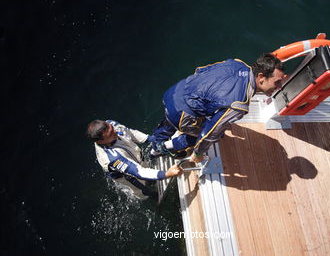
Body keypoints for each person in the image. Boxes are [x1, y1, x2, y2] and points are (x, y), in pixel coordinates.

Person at [150, 53, 286, 162]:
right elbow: (210, 134)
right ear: (261, 77)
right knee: (218, 135)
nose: (279, 87)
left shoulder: (237, 63)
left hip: (174, 92)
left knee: (170, 119)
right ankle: (168, 147)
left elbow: (201, 70)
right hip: (181, 114)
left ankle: (154, 147)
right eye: (277, 82)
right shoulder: (239, 104)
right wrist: (198, 154)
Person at [86, 119, 182, 200]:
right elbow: (138, 172)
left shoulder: (111, 125)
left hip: (137, 158)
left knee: (147, 170)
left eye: (111, 127)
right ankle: (153, 198)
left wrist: (150, 139)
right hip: (128, 176)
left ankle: (152, 180)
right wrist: (166, 174)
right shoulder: (111, 158)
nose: (115, 131)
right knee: (145, 192)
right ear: (101, 141)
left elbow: (130, 133)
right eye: (111, 134)